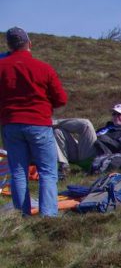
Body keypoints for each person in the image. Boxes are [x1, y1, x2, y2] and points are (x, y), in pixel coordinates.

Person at [0, 27, 67, 216]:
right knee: (47, 172)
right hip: (39, 124)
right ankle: (48, 215)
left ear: (9, 46)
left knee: (18, 173)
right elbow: (61, 99)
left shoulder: (1, 67)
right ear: (29, 44)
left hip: (11, 125)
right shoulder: (43, 68)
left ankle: (22, 215)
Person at [53, 103, 121, 174]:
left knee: (86, 124)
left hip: (98, 156)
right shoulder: (107, 128)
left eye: (119, 114)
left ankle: (52, 122)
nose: (116, 116)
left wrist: (102, 138)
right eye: (114, 114)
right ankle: (64, 166)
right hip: (84, 152)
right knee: (58, 131)